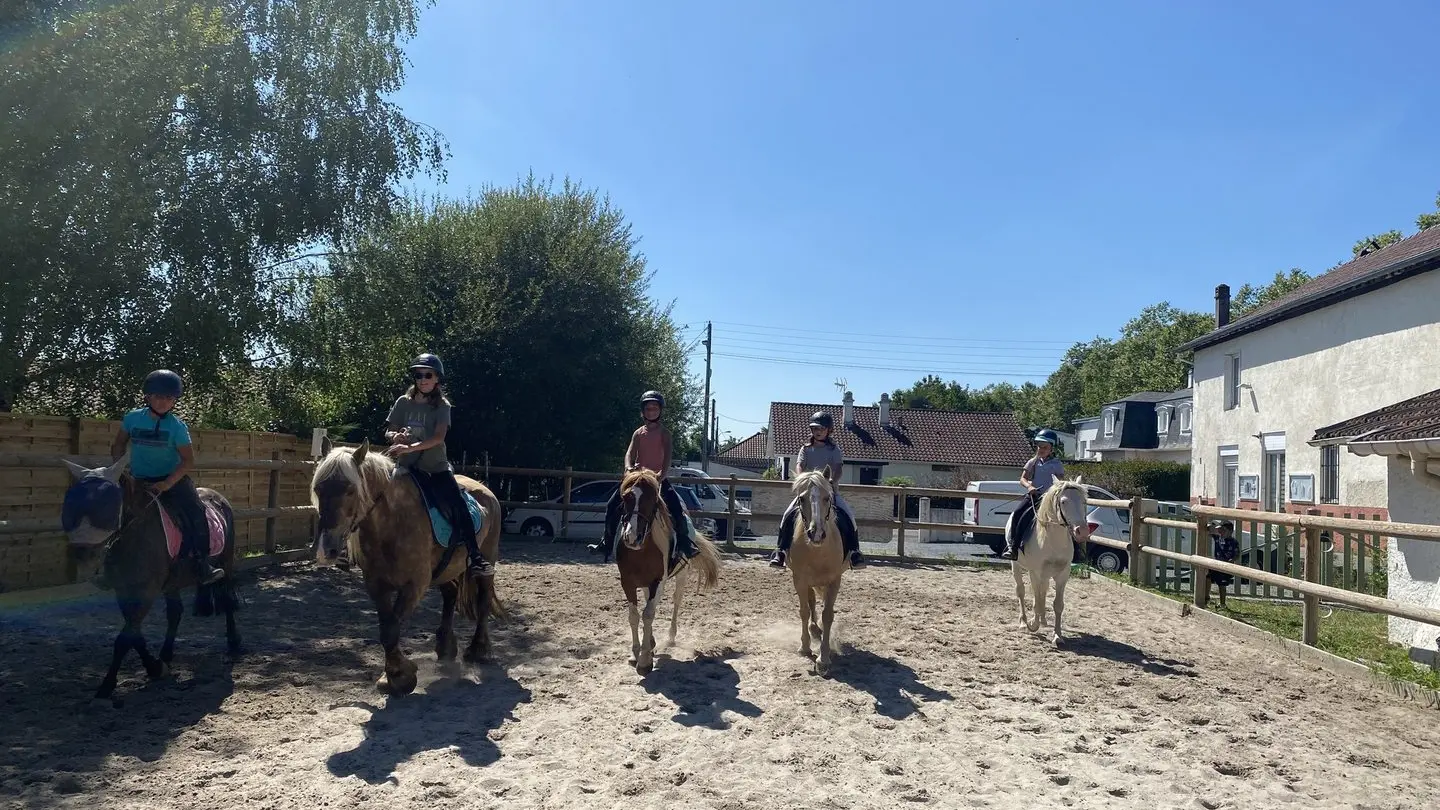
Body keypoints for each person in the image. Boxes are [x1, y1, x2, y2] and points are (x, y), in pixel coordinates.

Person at [109, 369, 223, 586]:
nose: (163, 402)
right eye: (158, 396)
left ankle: (202, 562)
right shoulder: (132, 419)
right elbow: (119, 444)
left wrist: (168, 483)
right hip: (138, 479)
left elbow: (187, 461)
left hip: (171, 480)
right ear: (148, 396)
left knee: (196, 512)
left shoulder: (177, 427)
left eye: (168, 398)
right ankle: (109, 563)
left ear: (174, 401)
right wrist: (119, 469)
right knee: (111, 511)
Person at [384, 353, 490, 578]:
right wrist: (396, 436)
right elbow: (389, 429)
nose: (422, 379)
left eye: (427, 375)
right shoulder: (403, 402)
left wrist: (409, 448)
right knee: (375, 498)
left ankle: (475, 557)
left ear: (436, 379)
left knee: (457, 505)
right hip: (406, 468)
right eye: (419, 375)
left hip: (435, 468)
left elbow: (438, 438)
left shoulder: (442, 406)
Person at [587, 391, 698, 571]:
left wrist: (662, 475)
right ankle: (606, 543)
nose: (651, 411)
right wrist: (628, 468)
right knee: (611, 505)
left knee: (677, 508)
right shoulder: (638, 433)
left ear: (660, 410)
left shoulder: (665, 433)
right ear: (643, 411)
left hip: (657, 479)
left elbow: (668, 456)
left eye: (655, 408)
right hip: (638, 479)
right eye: (648, 408)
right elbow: (629, 453)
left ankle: (686, 544)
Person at [768, 411, 864, 569]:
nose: (817, 432)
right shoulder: (805, 449)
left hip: (829, 492)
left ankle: (854, 552)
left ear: (829, 430)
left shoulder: (834, 450)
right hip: (807, 492)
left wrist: (832, 480)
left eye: (821, 429)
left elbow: (838, 468)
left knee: (849, 517)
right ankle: (781, 551)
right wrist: (802, 478)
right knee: (787, 515)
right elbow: (800, 465)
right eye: (815, 429)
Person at [999, 428, 1067, 560]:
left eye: (1044, 447)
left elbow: (1060, 482)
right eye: (1039, 446)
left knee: (1066, 517)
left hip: (1050, 499)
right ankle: (1013, 547)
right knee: (1018, 514)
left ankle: (1074, 550)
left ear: (1052, 448)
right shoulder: (1033, 462)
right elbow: (1022, 479)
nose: (1040, 449)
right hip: (1034, 496)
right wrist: (1029, 486)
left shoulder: (1057, 464)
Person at [1207, 520, 1239, 608]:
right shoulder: (1217, 538)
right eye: (1219, 530)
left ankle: (1222, 603)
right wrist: (1211, 524)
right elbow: (1208, 530)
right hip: (1216, 564)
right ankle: (1206, 597)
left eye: (1223, 530)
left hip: (1225, 566)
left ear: (1230, 531)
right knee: (1208, 578)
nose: (1220, 532)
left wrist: (1232, 559)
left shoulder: (1233, 542)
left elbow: (1237, 554)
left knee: (1222, 585)